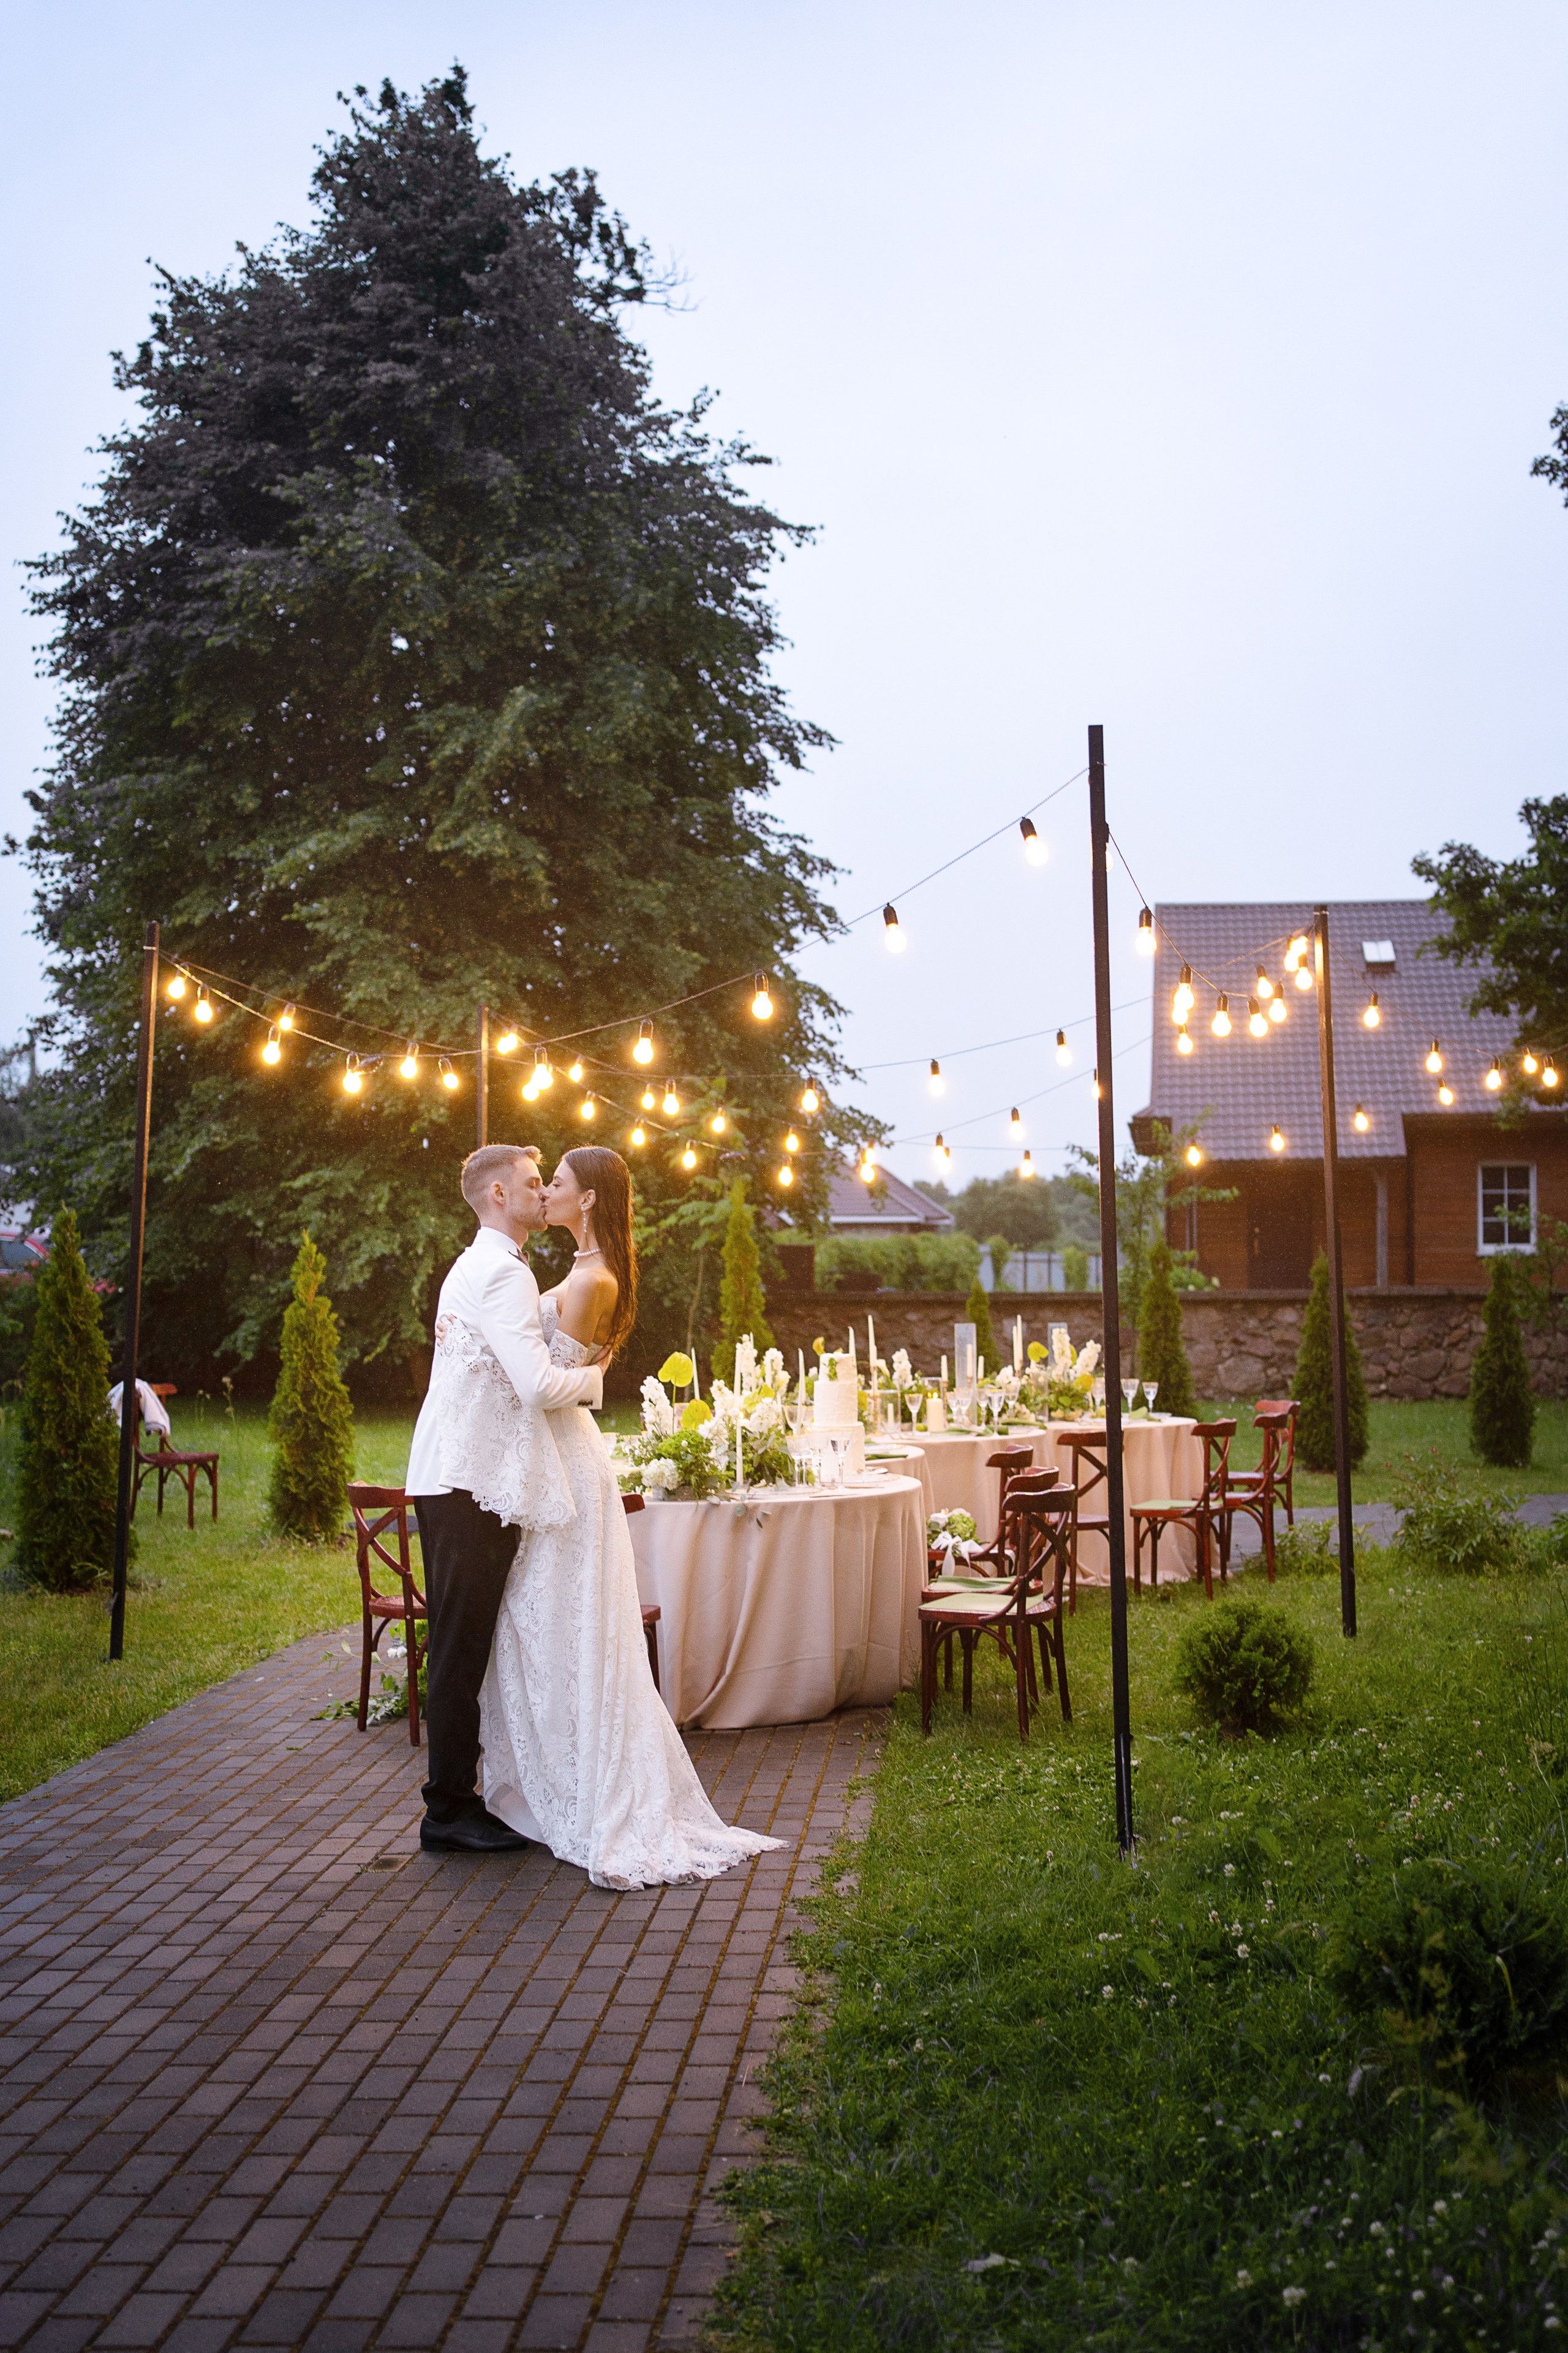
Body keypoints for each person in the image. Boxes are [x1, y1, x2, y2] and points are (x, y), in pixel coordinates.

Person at [477, 1144, 783, 1889]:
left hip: (567, 1463)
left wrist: (512, 1361)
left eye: (556, 1184)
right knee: (539, 1619)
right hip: (555, 1454)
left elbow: (556, 1383)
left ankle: (586, 1786)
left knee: (562, 1620)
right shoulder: (583, 1269)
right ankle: (551, 1774)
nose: (544, 1191)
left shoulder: (595, 1279)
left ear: (585, 1200)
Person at [405, 1144, 605, 1854]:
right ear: (497, 1194)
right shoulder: (500, 1273)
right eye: (530, 1183)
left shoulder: (492, 1265)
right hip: (468, 1484)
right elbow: (538, 1386)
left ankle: (461, 1798)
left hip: (459, 1477)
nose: (542, 1191)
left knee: (465, 1645)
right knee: (461, 1649)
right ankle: (448, 1810)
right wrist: (597, 1378)